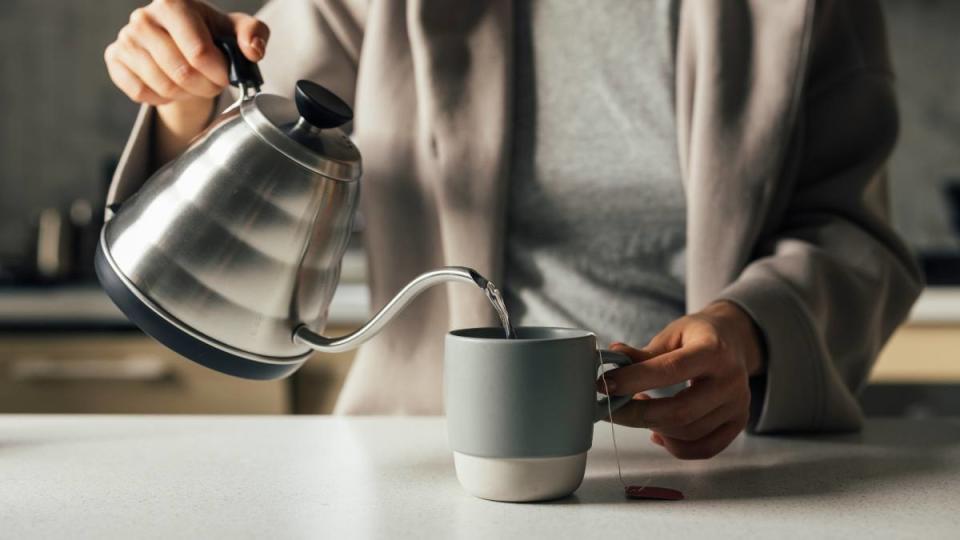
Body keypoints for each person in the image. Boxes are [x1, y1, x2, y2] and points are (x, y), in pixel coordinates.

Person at [104, 0, 922, 460]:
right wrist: (183, 90)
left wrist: (749, 335)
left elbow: (851, 230)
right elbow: (255, 130)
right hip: (427, 461)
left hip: (710, 464)